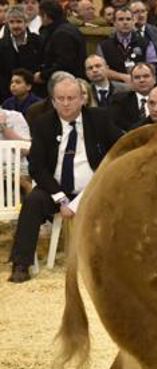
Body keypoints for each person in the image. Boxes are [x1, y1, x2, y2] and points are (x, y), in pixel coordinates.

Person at [8, 71, 123, 283]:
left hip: (93, 189)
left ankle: (117, 261)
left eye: (71, 98)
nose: (66, 104)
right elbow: (37, 168)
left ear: (82, 99)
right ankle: (21, 263)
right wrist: (60, 197)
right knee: (33, 201)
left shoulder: (99, 119)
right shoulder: (43, 124)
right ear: (53, 101)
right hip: (55, 188)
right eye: (60, 99)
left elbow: (120, 147)